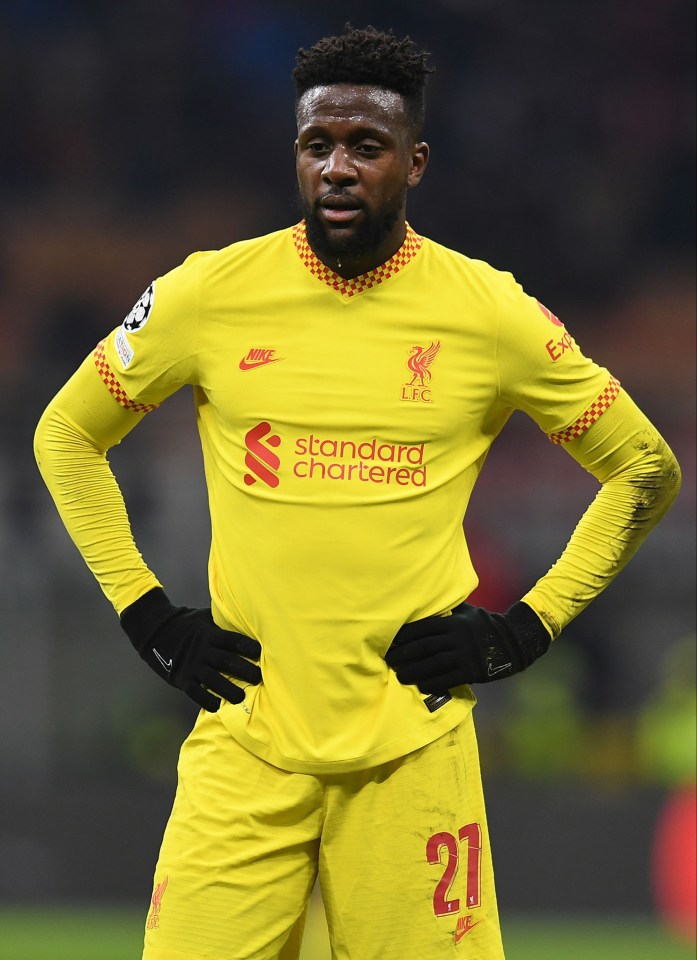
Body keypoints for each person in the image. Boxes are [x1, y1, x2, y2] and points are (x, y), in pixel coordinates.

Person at [34, 24, 681, 960]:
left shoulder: (487, 310)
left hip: (411, 756)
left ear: (414, 162)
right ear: (296, 155)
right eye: (317, 146)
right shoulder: (208, 293)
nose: (338, 168)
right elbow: (66, 432)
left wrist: (523, 629)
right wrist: (147, 616)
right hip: (245, 746)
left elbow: (644, 467)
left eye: (366, 147)